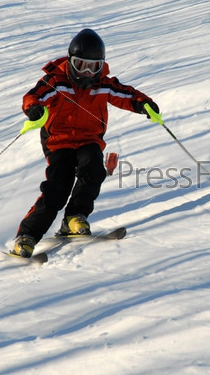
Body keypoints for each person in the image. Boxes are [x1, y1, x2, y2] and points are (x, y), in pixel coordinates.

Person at [11, 28, 159, 258]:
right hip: (59, 142)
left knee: (93, 168)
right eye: (81, 65)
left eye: (94, 66)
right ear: (70, 61)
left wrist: (144, 104)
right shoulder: (56, 83)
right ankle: (27, 236)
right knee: (58, 187)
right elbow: (33, 97)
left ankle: (74, 217)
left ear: (101, 66)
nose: (88, 72)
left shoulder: (103, 85)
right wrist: (34, 109)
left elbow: (127, 95)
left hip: (89, 140)